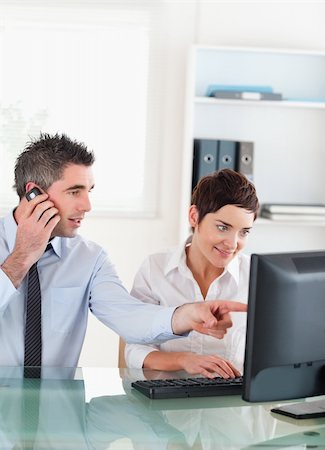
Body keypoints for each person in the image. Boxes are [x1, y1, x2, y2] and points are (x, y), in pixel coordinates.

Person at [0, 133, 247, 369]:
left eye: (89, 191)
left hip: (59, 407)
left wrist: (187, 316)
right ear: (34, 194)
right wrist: (22, 256)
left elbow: (129, 318)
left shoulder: (90, 258)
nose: (87, 205)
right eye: (74, 191)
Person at [125, 169, 259, 378]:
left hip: (230, 405)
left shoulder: (255, 277)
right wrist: (184, 360)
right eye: (223, 227)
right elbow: (133, 350)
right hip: (166, 405)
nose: (233, 244)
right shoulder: (155, 268)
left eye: (244, 232)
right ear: (194, 216)